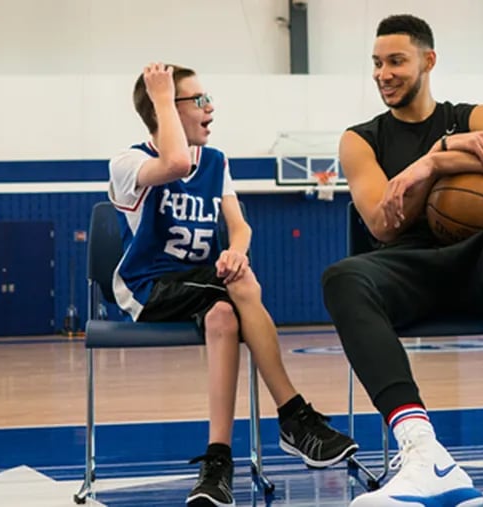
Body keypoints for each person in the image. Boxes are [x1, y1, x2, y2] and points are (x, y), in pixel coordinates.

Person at [322, 15, 483, 507]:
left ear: (428, 61)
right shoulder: (361, 139)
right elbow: (382, 224)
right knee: (342, 276)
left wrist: (437, 158)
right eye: (377, 63)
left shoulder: (473, 117)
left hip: (477, 267)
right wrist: (442, 160)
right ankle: (423, 453)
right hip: (408, 271)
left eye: (396, 61)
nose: (383, 74)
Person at [108, 62, 358, 507]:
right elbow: (175, 162)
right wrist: (161, 95)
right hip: (149, 288)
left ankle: (218, 460)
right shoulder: (128, 163)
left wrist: (236, 252)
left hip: (204, 288)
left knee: (225, 313)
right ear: (167, 108)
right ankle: (294, 417)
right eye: (198, 100)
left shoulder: (216, 161)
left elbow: (240, 227)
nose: (210, 107)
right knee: (240, 288)